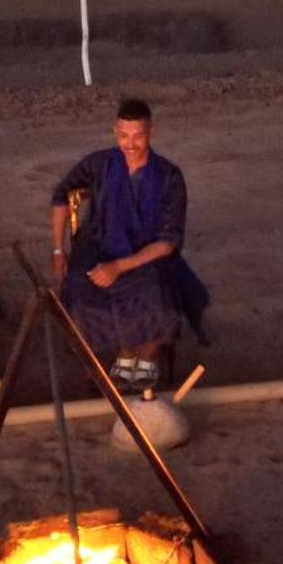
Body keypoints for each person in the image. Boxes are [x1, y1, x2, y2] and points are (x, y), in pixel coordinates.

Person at [49, 98, 208, 389]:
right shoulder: (101, 163)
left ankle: (146, 357)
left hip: (147, 255)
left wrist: (120, 266)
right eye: (124, 136)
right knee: (80, 293)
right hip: (100, 247)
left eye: (138, 136)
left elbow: (169, 241)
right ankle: (122, 354)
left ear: (151, 133)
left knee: (155, 293)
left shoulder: (169, 176)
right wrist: (58, 250)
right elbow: (61, 195)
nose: (130, 144)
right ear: (115, 132)